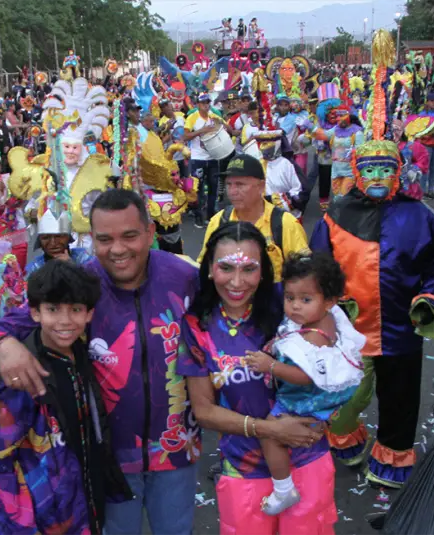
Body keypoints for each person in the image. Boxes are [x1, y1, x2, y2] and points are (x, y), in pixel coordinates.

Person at [0, 190, 202, 535]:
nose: (118, 249)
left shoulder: (184, 276)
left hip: (176, 449)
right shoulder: (80, 285)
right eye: (104, 239)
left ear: (150, 231)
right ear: (91, 239)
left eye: (129, 235)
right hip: (107, 458)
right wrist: (3, 345)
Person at [177, 221, 337, 534]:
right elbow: (204, 410)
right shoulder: (197, 326)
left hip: (308, 455)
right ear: (209, 268)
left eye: (249, 269)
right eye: (225, 268)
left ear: (263, 271)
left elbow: (333, 333)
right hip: (244, 467)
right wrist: (270, 429)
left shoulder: (289, 304)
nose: (237, 282)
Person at [310, 137, 434, 489]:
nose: (378, 176)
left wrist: (431, 298)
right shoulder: (335, 215)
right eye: (369, 169)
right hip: (348, 331)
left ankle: (392, 455)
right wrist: (329, 302)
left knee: (399, 402)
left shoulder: (419, 216)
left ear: (399, 172)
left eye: (386, 169)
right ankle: (346, 438)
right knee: (343, 399)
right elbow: (318, 267)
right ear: (357, 171)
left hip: (402, 330)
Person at [0, 260, 131, 534]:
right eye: (53, 309)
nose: (65, 321)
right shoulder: (23, 376)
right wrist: (17, 526)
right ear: (35, 313)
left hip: (86, 501)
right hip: (46, 513)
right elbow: (0, 458)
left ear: (89, 314)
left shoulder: (82, 353)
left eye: (75, 310)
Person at [245, 252, 365, 515]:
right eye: (290, 298)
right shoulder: (328, 316)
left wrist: (271, 366)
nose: (295, 306)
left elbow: (304, 376)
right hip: (324, 397)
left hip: (305, 398)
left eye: (305, 299)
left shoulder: (313, 337)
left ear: (330, 300)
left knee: (269, 433)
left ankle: (283, 488)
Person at [198, 153, 309, 283]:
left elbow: (305, 275)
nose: (232, 192)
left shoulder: (285, 224)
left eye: (240, 185)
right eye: (229, 184)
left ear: (261, 187)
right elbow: (204, 267)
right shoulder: (218, 221)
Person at [184, 93, 234, 228]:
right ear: (198, 105)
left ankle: (210, 216)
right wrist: (202, 130)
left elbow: (228, 128)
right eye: (203, 103)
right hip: (198, 159)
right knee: (197, 189)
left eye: (207, 103)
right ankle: (199, 217)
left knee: (213, 188)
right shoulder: (192, 118)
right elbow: (185, 136)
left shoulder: (214, 116)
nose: (206, 105)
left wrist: (228, 129)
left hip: (213, 158)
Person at [418, 93, 434, 199]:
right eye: (432, 101)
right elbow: (419, 130)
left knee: (433, 168)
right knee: (425, 168)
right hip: (426, 144)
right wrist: (429, 133)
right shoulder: (423, 114)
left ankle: (431, 190)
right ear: (427, 101)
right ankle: (422, 190)